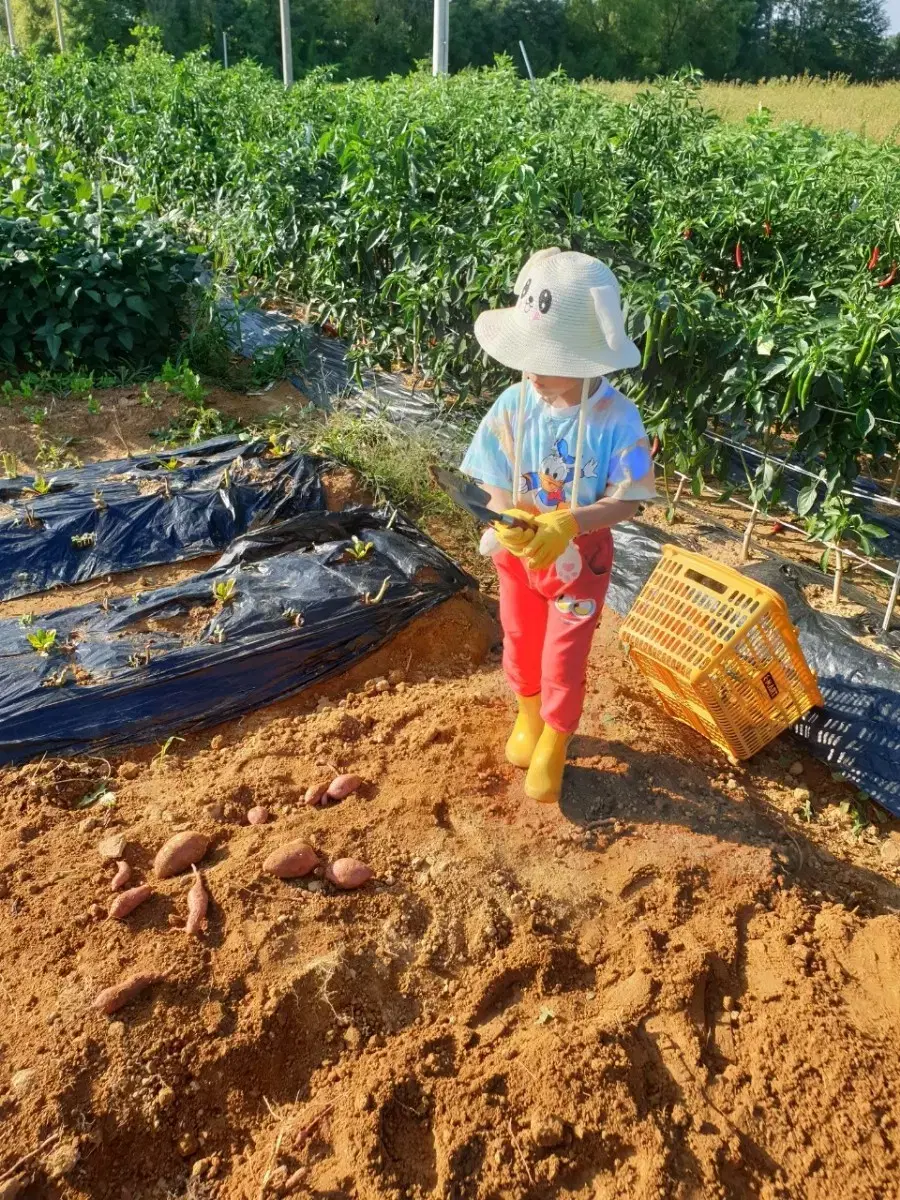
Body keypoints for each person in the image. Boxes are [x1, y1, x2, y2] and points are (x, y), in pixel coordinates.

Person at [460, 247, 657, 804]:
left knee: (564, 657)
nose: (535, 372)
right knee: (520, 640)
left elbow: (632, 496)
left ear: (589, 359)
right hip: (519, 553)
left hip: (579, 562)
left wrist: (570, 522)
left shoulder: (620, 420)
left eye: (548, 361)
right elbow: (493, 474)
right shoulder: (513, 403)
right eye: (530, 358)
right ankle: (527, 715)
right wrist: (512, 514)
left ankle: (555, 737)